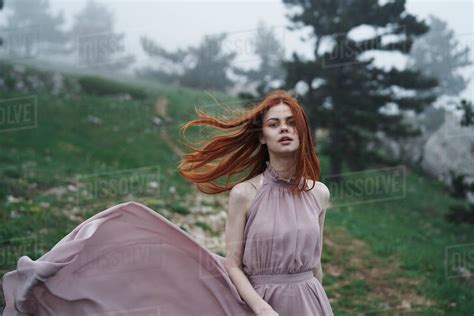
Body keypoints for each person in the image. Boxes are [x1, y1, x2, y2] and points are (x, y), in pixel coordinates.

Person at [2, 90, 334, 316]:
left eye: (292, 123)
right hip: (261, 304)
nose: (284, 130)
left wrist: (321, 303)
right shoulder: (245, 194)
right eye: (274, 124)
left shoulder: (319, 193)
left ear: (303, 132)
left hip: (311, 303)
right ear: (262, 137)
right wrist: (261, 308)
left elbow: (316, 266)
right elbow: (233, 264)